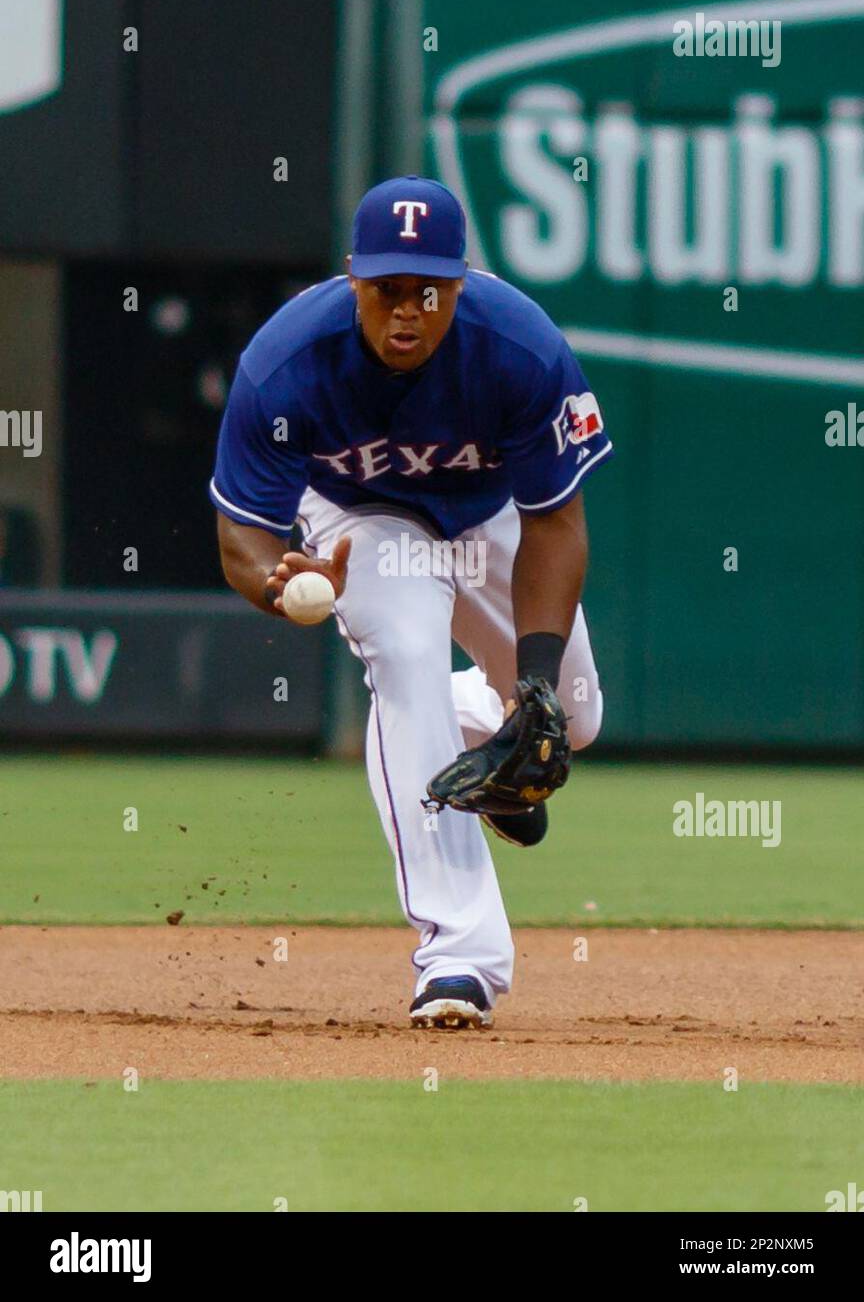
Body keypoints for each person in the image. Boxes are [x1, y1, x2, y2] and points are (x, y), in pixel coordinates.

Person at [210, 176, 613, 1029]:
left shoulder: (521, 348)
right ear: (353, 280)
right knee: (406, 656)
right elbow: (243, 539)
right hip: (363, 522)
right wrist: (276, 586)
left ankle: (479, 723)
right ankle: (458, 958)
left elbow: (557, 525)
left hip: (490, 515)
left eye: (426, 289)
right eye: (386, 287)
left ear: (459, 287)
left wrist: (532, 683)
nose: (405, 309)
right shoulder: (284, 361)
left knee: (574, 720)